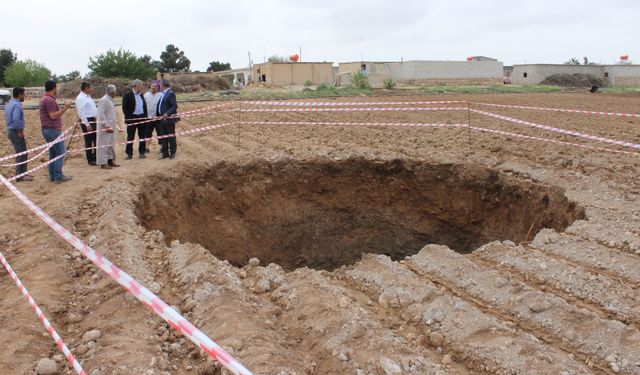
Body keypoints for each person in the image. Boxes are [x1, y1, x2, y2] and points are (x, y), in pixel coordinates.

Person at [39, 80, 72, 184]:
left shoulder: (45, 99)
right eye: (56, 88)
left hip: (48, 130)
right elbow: (53, 115)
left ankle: (53, 175)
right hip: (52, 130)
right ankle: (58, 175)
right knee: (61, 152)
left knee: (53, 153)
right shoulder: (49, 100)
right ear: (54, 88)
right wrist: (65, 108)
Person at [4, 87, 34, 182]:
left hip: (10, 130)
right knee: (22, 153)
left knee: (21, 152)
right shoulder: (17, 105)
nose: (24, 96)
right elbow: (16, 119)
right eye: (23, 94)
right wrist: (20, 131)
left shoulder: (9, 104)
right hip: (15, 131)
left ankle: (21, 174)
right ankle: (20, 176)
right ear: (19, 94)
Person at [96, 85, 121, 169]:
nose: (116, 93)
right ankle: (103, 163)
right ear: (112, 92)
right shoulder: (104, 100)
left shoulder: (110, 100)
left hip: (111, 126)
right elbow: (100, 114)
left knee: (110, 145)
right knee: (103, 145)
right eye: (115, 91)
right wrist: (106, 125)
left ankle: (110, 161)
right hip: (105, 128)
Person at [122, 79, 148, 159]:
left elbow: (144, 106)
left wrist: (145, 116)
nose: (142, 86)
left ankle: (142, 152)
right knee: (130, 136)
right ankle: (129, 154)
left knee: (142, 136)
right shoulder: (128, 95)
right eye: (141, 85)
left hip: (142, 118)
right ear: (136, 86)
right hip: (132, 118)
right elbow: (124, 108)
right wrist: (129, 118)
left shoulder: (141, 95)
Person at [75, 82, 98, 166]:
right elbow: (81, 112)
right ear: (86, 88)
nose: (92, 89)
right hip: (87, 120)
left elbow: (92, 109)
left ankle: (95, 157)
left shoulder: (88, 97)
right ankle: (90, 159)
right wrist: (87, 124)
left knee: (95, 139)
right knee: (88, 140)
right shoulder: (80, 98)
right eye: (90, 87)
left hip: (93, 119)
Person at [157, 79, 179, 159]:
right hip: (162, 118)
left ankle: (172, 153)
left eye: (160, 84)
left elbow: (174, 106)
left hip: (169, 118)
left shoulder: (170, 93)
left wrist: (167, 113)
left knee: (171, 136)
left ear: (163, 85)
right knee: (163, 136)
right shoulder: (163, 93)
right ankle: (165, 153)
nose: (159, 86)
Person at [143, 81, 162, 152]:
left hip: (158, 118)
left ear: (158, 88)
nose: (153, 87)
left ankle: (162, 147)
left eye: (155, 86)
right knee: (147, 133)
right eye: (152, 86)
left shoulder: (161, 95)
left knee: (160, 133)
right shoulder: (146, 95)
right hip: (148, 118)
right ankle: (147, 147)